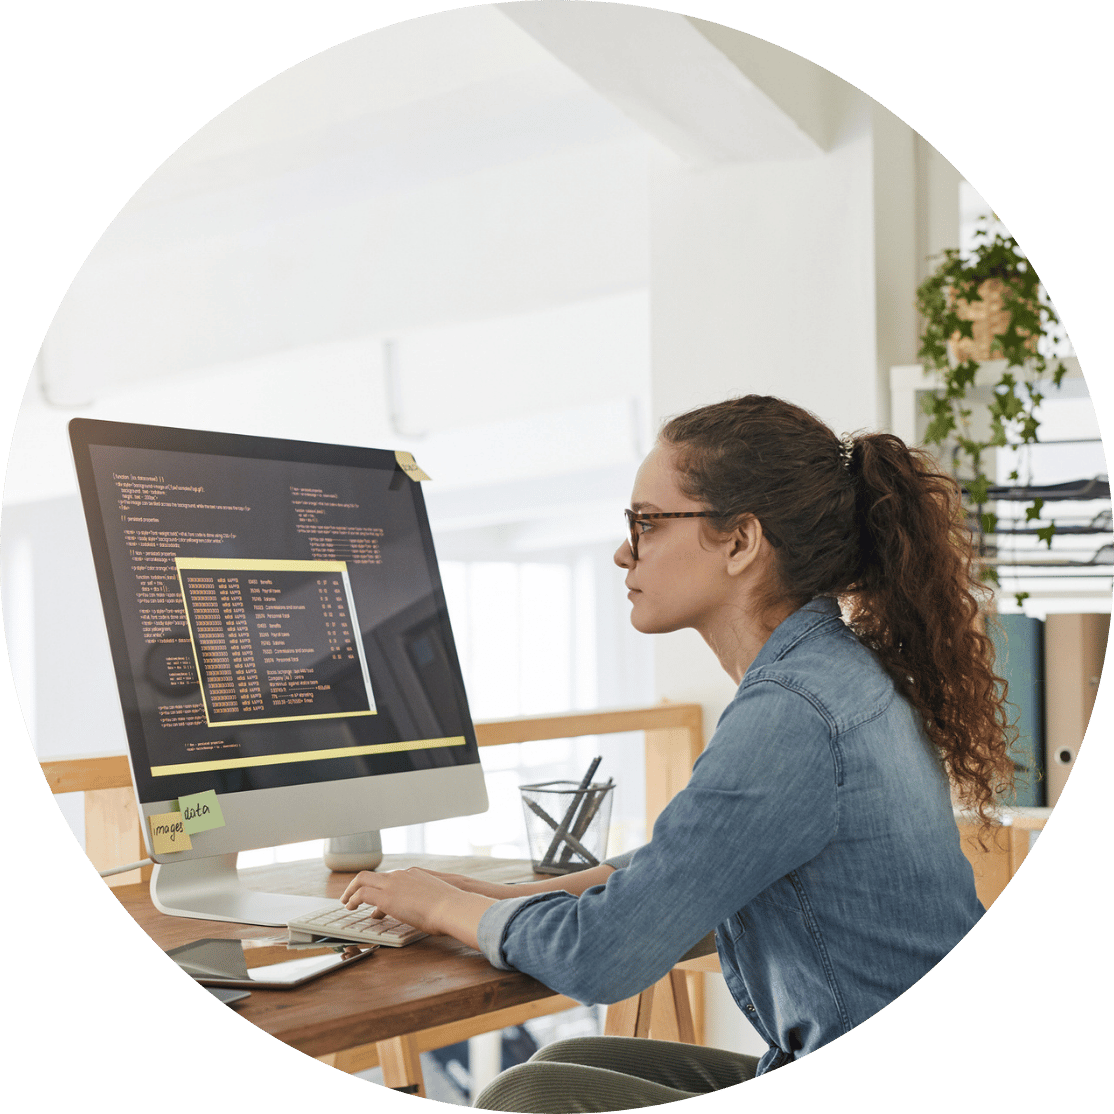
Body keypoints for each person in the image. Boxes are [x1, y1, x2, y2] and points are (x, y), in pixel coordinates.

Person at [341, 395, 1014, 1111]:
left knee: (531, 1095)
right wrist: (508, 897)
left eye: (647, 523)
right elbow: (704, 856)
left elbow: (602, 956)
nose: (623, 551)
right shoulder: (827, 672)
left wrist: (442, 905)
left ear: (740, 542)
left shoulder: (793, 710)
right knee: (569, 1059)